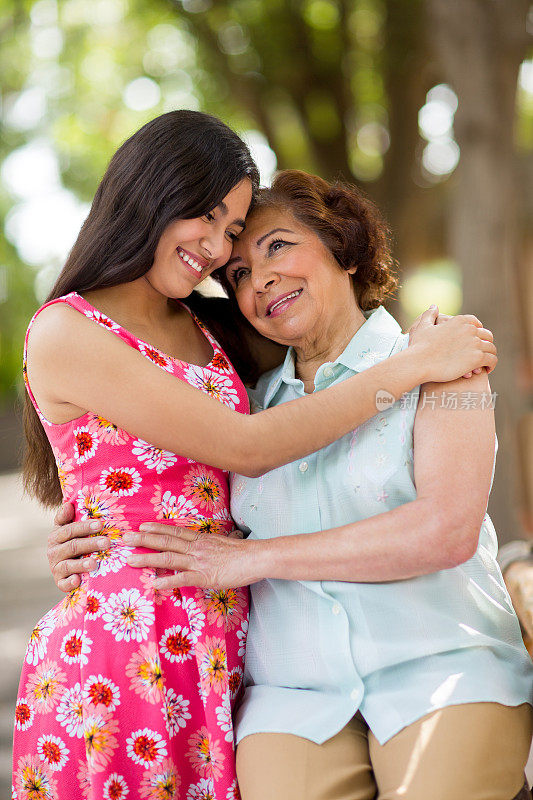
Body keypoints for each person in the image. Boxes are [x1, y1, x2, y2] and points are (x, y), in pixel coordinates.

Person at [13, 111, 494, 800]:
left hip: (227, 648)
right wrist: (414, 368)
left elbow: (327, 341)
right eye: (205, 220)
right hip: (127, 642)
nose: (216, 249)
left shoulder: (210, 324)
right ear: (150, 192)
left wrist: (439, 356)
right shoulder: (68, 329)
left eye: (232, 232)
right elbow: (246, 445)